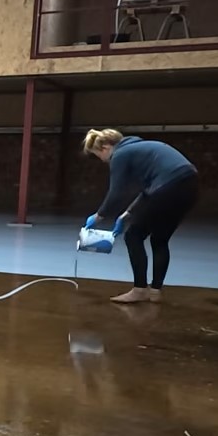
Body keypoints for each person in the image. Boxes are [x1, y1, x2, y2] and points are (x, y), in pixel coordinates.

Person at [83, 128, 200, 304]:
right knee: (159, 239)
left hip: (170, 187)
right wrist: (127, 214)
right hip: (190, 185)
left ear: (105, 148)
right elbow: (149, 190)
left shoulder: (120, 154)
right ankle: (155, 292)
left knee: (133, 236)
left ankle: (139, 290)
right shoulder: (141, 148)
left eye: (97, 155)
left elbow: (116, 192)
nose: (102, 160)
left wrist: (99, 216)